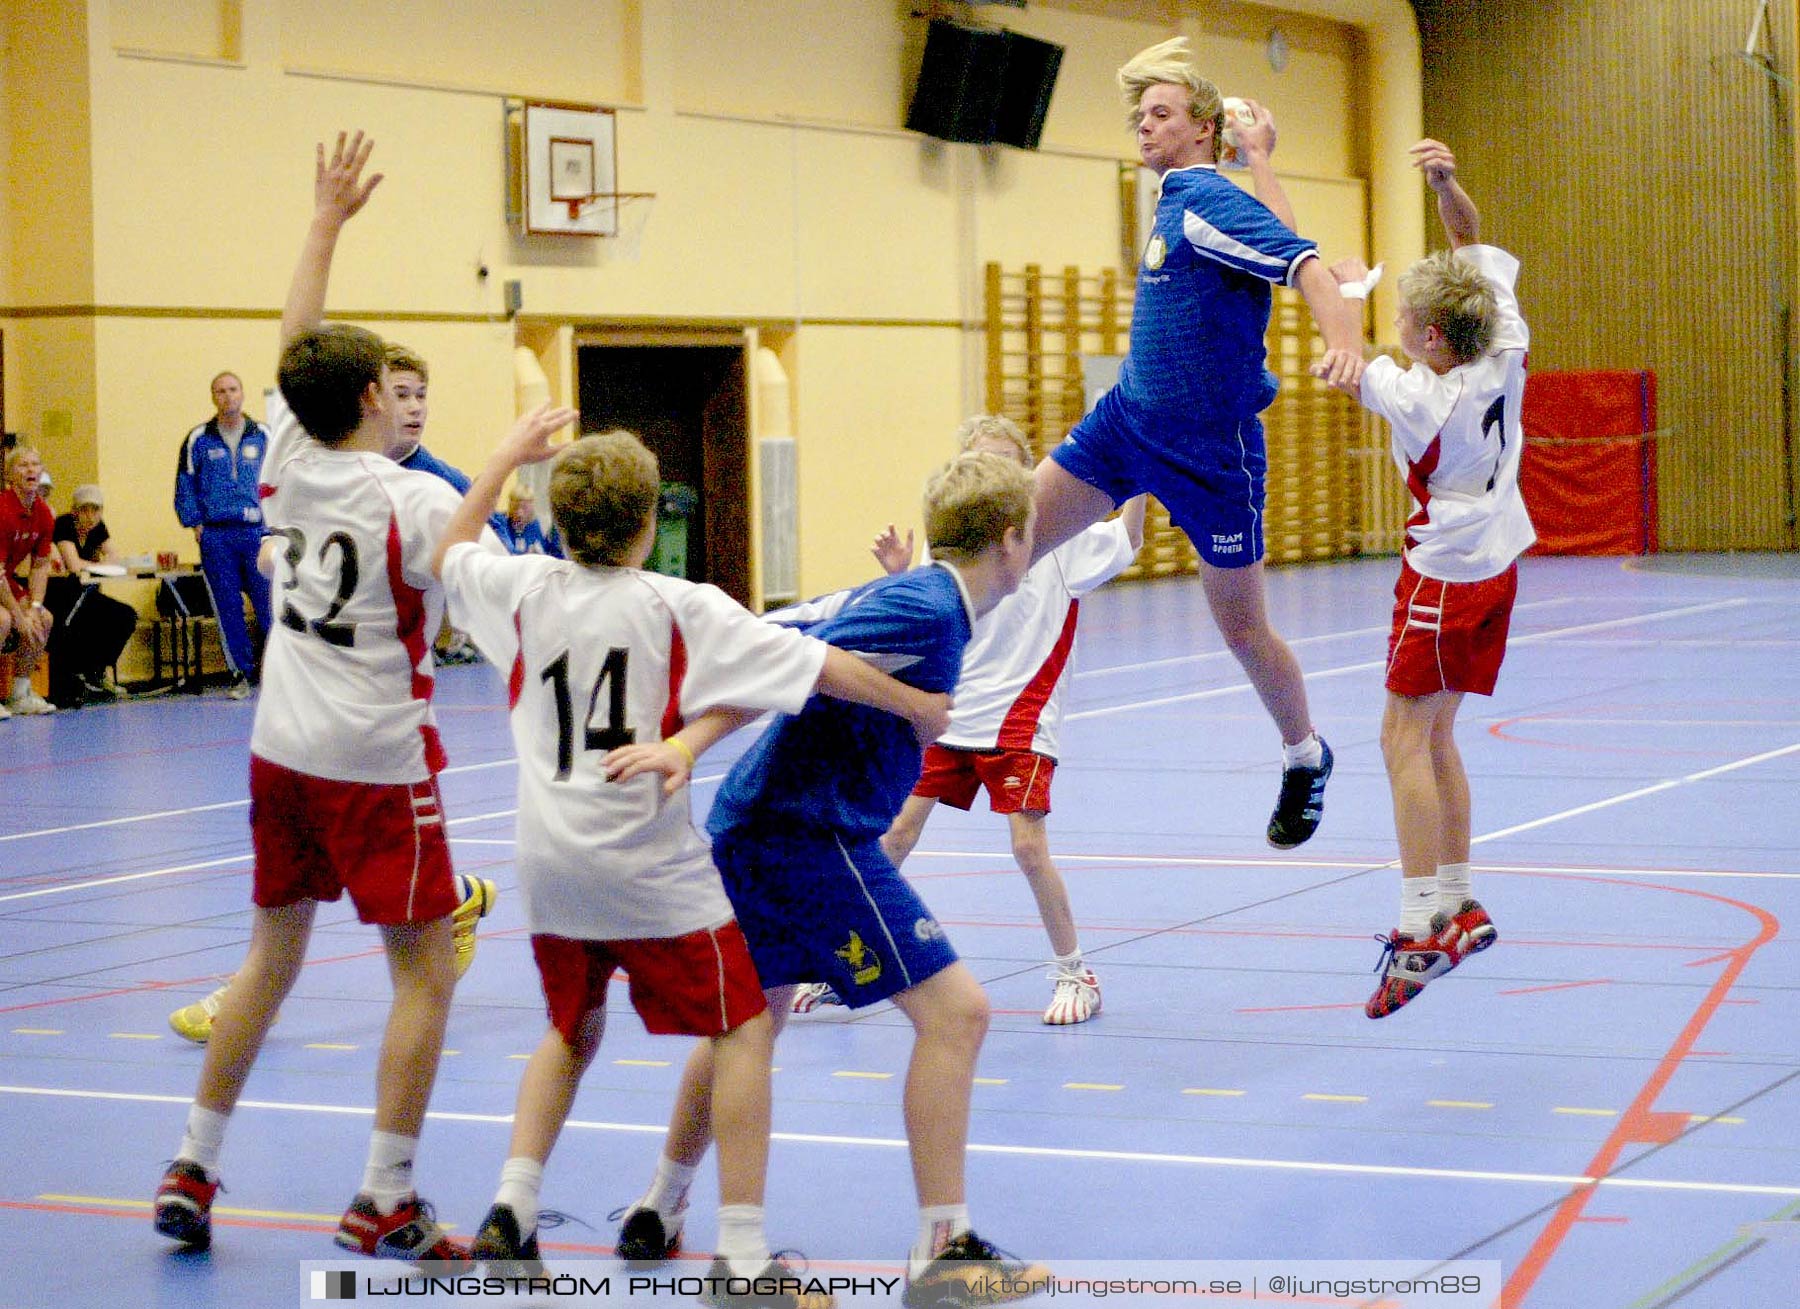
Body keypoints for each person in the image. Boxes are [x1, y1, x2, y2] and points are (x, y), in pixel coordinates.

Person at [435, 424, 951, 1304]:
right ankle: (743, 1260)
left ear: (559, 523)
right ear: (647, 526)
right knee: (746, 1026)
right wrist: (913, 701)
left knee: (570, 1030)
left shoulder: (518, 587)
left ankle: (510, 1211)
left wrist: (503, 458)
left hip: (548, 861)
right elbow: (818, 663)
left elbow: (449, 551)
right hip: (643, 863)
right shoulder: (682, 604)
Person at [615, 450, 1052, 1309]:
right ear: (1012, 540)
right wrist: (687, 745)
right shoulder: (928, 609)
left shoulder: (931, 602)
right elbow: (781, 656)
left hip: (762, 823)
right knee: (958, 1011)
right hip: (807, 832)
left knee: (751, 1021)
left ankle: (659, 1206)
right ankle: (944, 1250)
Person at [152, 131, 472, 1264]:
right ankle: (385, 1190)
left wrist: (326, 219)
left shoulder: (288, 452)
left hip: (278, 748)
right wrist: (512, 466)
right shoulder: (414, 502)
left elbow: (295, 342)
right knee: (425, 973)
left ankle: (192, 1161)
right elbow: (481, 570)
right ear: (381, 395)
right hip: (376, 762)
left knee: (270, 957)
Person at [1027, 37, 1366, 849]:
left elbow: (1310, 267)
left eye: (1162, 113)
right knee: (1006, 541)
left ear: (1202, 126)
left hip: (1213, 455)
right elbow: (1273, 235)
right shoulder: (1192, 197)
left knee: (1242, 629)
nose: (1144, 126)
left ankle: (1305, 753)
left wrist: (1346, 342)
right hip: (1128, 423)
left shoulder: (1204, 202)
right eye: (1140, 114)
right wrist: (1262, 159)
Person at [793, 416, 1145, 1026]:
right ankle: (842, 961)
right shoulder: (949, 545)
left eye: (1008, 463)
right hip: (951, 710)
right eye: (980, 464)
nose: (995, 475)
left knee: (1028, 848)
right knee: (893, 836)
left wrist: (1145, 470)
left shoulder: (1059, 535)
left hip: (1021, 716)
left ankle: (1074, 972)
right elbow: (925, 612)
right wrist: (902, 576)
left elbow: (1127, 540)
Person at [1316, 141, 1531, 1018]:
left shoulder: (1418, 395)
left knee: (1400, 739)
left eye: (1405, 316)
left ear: (1431, 338)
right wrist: (1446, 185)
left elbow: (1338, 354)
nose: (1397, 324)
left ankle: (1417, 929)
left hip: (1443, 575)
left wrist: (1340, 289)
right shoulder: (1504, 341)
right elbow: (1471, 236)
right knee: (1439, 737)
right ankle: (1460, 896)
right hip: (1500, 561)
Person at [174, 370, 273, 699]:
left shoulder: (264, 436)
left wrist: (275, 527)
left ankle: (279, 673)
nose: (227, 396)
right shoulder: (198, 439)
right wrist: (195, 522)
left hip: (257, 532)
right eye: (220, 391)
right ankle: (239, 674)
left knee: (269, 604)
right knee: (227, 606)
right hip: (217, 536)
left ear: (243, 394)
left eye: (232, 390)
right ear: (213, 397)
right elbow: (185, 483)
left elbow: (280, 481)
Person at [46, 484, 140, 706]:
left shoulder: (99, 528)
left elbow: (114, 558)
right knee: (76, 623)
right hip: (63, 594)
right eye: (85, 510)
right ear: (74, 510)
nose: (90, 516)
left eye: (96, 510)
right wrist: (97, 563)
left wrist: (97, 563)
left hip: (87, 594)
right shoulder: (64, 525)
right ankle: (77, 675)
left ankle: (96, 672)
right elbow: (74, 565)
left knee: (125, 615)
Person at [1, 446, 59, 718]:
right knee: (3, 620)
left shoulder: (44, 514)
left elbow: (40, 565)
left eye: (35, 464)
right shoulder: (3, 510)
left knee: (43, 620)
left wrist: (34, 607)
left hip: (6, 579)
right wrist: (17, 614)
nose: (31, 470)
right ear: (10, 475)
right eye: (23, 465)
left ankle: (20, 694)